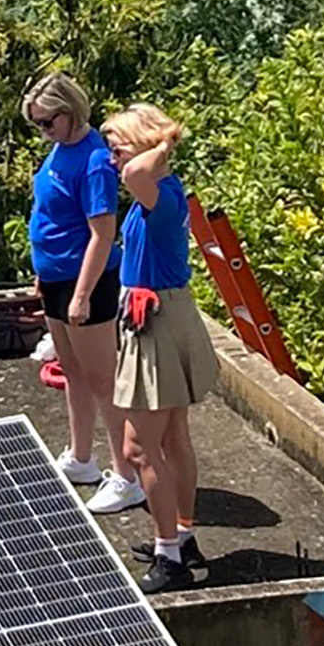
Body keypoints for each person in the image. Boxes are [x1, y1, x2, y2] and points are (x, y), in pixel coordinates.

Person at [104, 103, 224, 590]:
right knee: (174, 437)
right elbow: (134, 170)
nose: (113, 161)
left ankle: (169, 555)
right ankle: (182, 534)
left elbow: (135, 171)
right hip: (163, 315)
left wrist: (161, 144)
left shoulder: (157, 194)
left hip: (156, 323)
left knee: (139, 448)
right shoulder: (160, 194)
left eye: (117, 149)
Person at [22, 69, 123, 489]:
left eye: (48, 122)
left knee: (103, 378)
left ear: (71, 110)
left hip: (88, 280)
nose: (44, 132)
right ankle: (81, 455)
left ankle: (127, 471)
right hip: (56, 276)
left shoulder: (94, 159)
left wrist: (81, 296)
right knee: (73, 371)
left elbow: (102, 233)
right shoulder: (60, 151)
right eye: (37, 124)